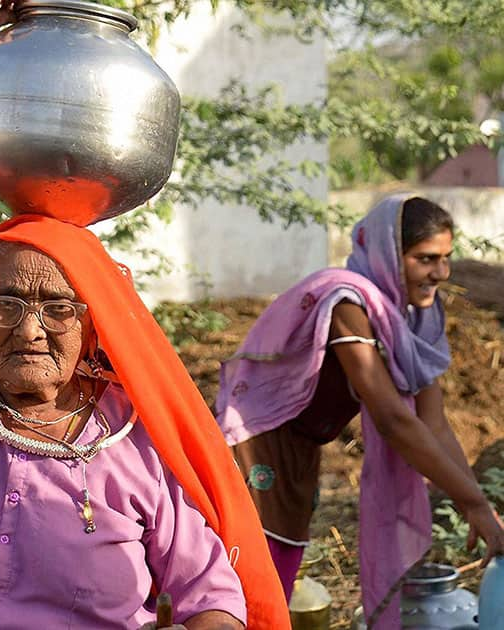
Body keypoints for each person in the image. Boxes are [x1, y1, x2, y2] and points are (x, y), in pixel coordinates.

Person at [0, 1, 291, 628]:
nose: (29, 328)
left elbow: (214, 599)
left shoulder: (134, 443)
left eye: (58, 308)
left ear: (97, 323)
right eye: (7, 303)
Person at [216, 194, 504, 627]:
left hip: (303, 448)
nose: (440, 273)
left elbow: (434, 423)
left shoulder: (411, 317)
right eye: (425, 259)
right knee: (254, 583)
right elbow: (392, 420)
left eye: (445, 259)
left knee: (278, 576)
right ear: (390, 253)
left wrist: (476, 503)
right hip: (257, 448)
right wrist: (472, 502)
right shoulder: (346, 301)